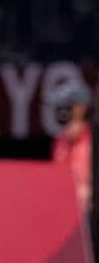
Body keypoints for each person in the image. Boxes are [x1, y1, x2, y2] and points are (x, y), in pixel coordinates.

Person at [48, 78, 94, 222]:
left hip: (90, 216)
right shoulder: (60, 141)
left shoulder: (92, 140)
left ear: (80, 108)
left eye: (65, 106)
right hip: (63, 212)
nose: (61, 112)